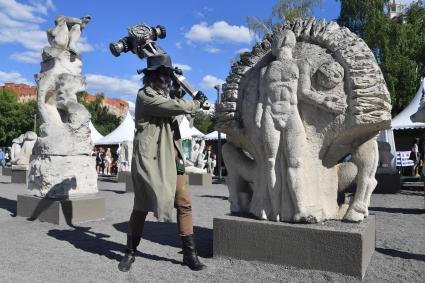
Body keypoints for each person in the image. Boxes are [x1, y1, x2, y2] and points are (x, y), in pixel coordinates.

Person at [118, 54, 208, 272]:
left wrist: (180, 88)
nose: (166, 78)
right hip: (151, 159)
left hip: (174, 157)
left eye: (168, 74)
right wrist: (196, 102)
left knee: (184, 201)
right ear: (151, 75)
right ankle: (130, 251)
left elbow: (175, 108)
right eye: (162, 73)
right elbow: (174, 107)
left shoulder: (169, 96)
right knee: (142, 205)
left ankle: (189, 254)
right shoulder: (145, 96)